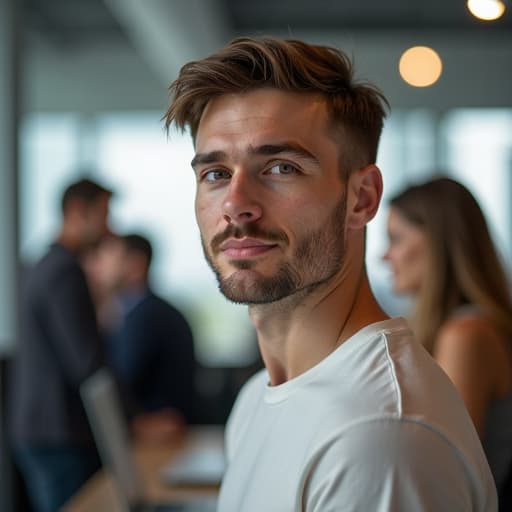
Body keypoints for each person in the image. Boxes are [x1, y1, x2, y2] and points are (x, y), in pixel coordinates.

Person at [164, 37, 497, 510]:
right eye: (215, 174)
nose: (236, 204)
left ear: (361, 198)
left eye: (280, 167)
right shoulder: (257, 399)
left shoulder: (378, 436)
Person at [383, 176, 512, 499]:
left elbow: (447, 470)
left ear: (438, 243)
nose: (384, 257)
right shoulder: (458, 329)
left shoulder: (466, 334)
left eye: (396, 239)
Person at [8, 177, 112, 512]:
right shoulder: (64, 271)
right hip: (57, 431)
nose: (108, 228)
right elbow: (85, 360)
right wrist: (136, 420)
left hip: (41, 427)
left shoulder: (41, 264)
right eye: (103, 215)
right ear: (77, 211)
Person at [90, 233, 196, 440]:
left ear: (135, 264)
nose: (98, 267)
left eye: (108, 257)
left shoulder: (147, 317)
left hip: (159, 434)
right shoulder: (139, 311)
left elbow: (122, 379)